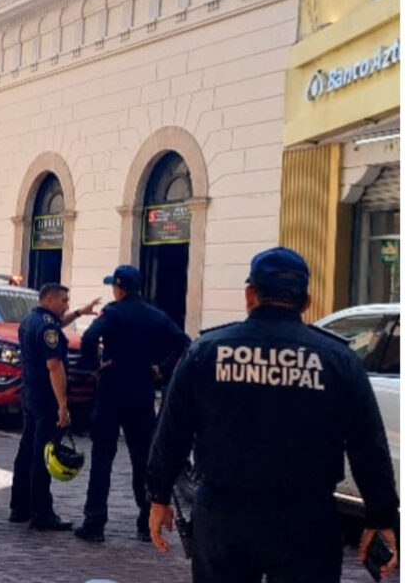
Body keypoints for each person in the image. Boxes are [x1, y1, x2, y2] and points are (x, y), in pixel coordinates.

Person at [147, 247, 399, 581]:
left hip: (225, 512)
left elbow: (172, 432)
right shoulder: (338, 359)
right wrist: (381, 516)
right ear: (306, 302)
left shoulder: (206, 352)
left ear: (250, 294)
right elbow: (369, 446)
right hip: (306, 516)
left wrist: (159, 495)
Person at [72, 265, 190, 543]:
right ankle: (144, 520)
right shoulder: (156, 316)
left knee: (102, 459)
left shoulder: (113, 313)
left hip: (111, 392)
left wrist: (94, 367)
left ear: (119, 288)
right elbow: (184, 343)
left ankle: (94, 522)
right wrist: (162, 369)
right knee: (142, 460)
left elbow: (89, 338)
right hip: (142, 394)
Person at [9, 283, 99, 531]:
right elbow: (55, 367)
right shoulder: (48, 327)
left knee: (27, 450)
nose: (66, 305)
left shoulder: (31, 320)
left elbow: (55, 326)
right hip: (46, 398)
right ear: (49, 300)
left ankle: (19, 507)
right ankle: (42, 513)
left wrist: (81, 312)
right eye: (63, 301)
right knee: (43, 455)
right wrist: (62, 406)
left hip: (29, 394)